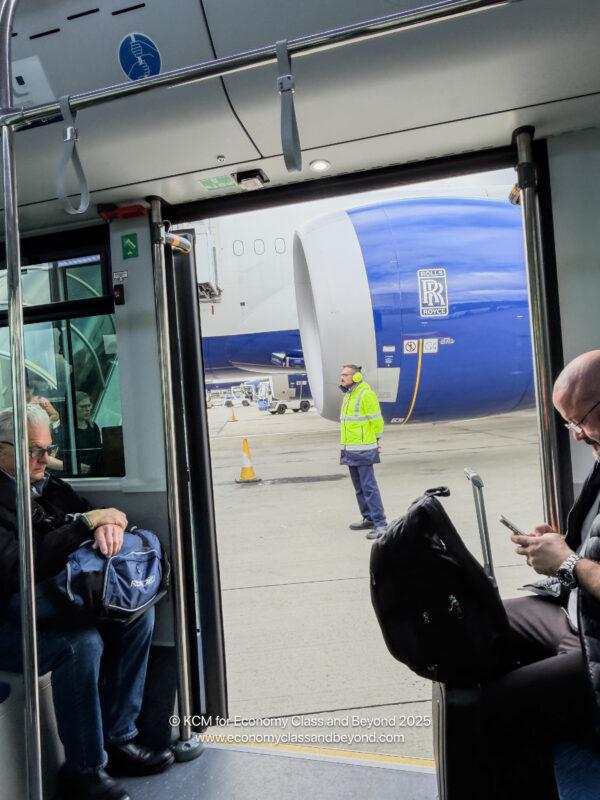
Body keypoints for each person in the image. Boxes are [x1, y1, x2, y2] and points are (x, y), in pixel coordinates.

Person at [0, 405, 173, 800]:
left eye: (48, 449)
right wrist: (84, 524)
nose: (46, 459)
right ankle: (84, 771)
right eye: (34, 451)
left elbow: (86, 512)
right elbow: (16, 571)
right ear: (0, 451)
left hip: (50, 603)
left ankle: (119, 736)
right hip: (9, 620)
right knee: (81, 644)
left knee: (134, 617)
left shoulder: (48, 486)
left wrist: (107, 522)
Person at [480, 350, 600, 800]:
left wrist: (568, 562)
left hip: (595, 635)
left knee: (498, 706)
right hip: (578, 615)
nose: (578, 435)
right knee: (479, 623)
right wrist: (561, 544)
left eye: (580, 421)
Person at [339, 365, 387, 539]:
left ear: (357, 376)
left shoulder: (366, 394)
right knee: (359, 487)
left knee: (369, 487)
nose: (342, 377)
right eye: (341, 374)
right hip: (350, 449)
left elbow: (376, 420)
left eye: (345, 374)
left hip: (363, 448)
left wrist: (376, 441)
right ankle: (368, 518)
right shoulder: (349, 395)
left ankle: (381, 523)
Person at [75, 391, 103, 475]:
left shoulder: (94, 427)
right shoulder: (68, 430)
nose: (87, 409)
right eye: (83, 406)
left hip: (97, 472)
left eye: (89, 405)